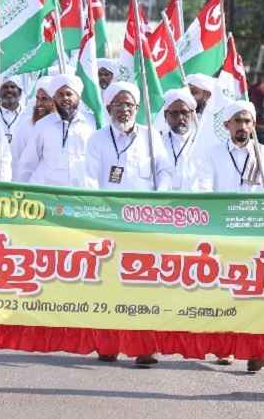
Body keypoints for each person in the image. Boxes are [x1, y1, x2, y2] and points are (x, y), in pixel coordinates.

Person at [191, 99, 264, 370]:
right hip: (224, 234)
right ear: (227, 125)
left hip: (257, 235)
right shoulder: (213, 153)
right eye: (237, 121)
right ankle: (226, 347)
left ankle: (255, 350)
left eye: (247, 121)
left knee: (254, 294)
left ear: (253, 125)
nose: (242, 126)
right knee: (224, 292)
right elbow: (205, 190)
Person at [85, 80, 172, 367]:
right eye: (119, 104)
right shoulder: (96, 139)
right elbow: (88, 179)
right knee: (108, 285)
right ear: (109, 107)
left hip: (144, 223)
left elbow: (165, 170)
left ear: (137, 108)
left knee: (144, 287)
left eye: (130, 105)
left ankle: (145, 347)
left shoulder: (151, 136)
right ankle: (108, 344)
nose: (124, 110)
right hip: (108, 222)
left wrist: (160, 200)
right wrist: (100, 211)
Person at [16, 73, 95, 187]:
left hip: (80, 194)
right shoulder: (43, 125)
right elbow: (28, 162)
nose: (65, 98)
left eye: (69, 94)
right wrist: (21, 191)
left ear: (78, 97)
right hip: (47, 193)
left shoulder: (91, 122)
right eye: (60, 94)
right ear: (54, 98)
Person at [9, 76, 55, 179]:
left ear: (54, 100)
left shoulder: (64, 127)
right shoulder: (26, 126)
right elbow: (16, 158)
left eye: (44, 99)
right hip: (33, 186)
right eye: (37, 98)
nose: (39, 103)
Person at [158, 88, 198, 190]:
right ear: (165, 115)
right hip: (165, 202)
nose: (180, 118)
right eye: (175, 113)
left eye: (184, 112)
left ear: (192, 114)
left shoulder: (201, 142)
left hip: (196, 203)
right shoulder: (157, 142)